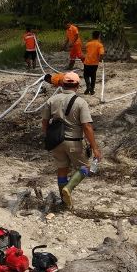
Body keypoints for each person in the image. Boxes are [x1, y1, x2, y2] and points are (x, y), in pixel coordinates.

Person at [42, 72, 102, 209]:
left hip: (56, 141)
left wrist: (47, 137)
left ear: (62, 84)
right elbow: (87, 126)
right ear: (77, 86)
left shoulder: (52, 100)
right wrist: (95, 148)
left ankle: (64, 202)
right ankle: (68, 189)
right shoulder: (81, 102)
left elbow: (44, 122)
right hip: (74, 141)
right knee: (85, 167)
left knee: (62, 169)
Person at [83, 31, 105, 95]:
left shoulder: (88, 44)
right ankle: (92, 90)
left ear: (92, 36)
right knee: (93, 76)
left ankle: (88, 86)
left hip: (87, 62)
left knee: (86, 75)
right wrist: (100, 59)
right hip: (95, 63)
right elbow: (101, 54)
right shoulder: (100, 45)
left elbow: (84, 50)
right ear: (99, 36)